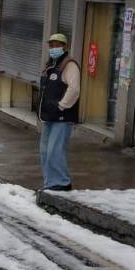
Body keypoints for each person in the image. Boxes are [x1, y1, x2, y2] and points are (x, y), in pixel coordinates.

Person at [38, 33, 80, 193]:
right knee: (45, 151)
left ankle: (61, 182)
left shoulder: (69, 65)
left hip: (62, 116)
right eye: (51, 45)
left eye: (57, 45)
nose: (53, 48)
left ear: (65, 46)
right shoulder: (51, 64)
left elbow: (74, 89)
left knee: (55, 151)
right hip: (49, 115)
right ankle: (50, 183)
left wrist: (62, 106)